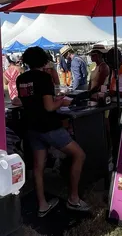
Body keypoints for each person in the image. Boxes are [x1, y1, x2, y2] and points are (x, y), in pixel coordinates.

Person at [16, 47, 88, 217]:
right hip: (48, 126)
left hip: (32, 127)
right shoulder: (44, 77)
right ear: (43, 60)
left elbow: (29, 101)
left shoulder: (21, 79)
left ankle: (42, 205)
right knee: (79, 155)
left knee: (38, 167)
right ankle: (74, 199)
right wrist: (61, 101)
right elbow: (49, 107)